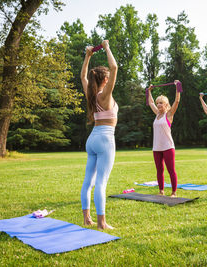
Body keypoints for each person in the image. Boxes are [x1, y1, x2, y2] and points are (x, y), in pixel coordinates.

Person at [80, 40, 118, 229]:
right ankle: (102, 222)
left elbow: (82, 77)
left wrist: (87, 57)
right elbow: (114, 66)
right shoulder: (105, 95)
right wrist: (106, 47)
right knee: (101, 182)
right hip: (105, 138)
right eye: (108, 77)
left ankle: (87, 219)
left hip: (92, 138)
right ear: (104, 80)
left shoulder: (91, 95)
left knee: (89, 181)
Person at [147, 81, 181, 197]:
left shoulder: (169, 114)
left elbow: (177, 101)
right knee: (159, 170)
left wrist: (178, 88)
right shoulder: (157, 114)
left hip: (168, 146)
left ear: (166, 104)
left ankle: (174, 192)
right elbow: (150, 102)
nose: (158, 105)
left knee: (171, 170)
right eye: (158, 103)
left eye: (161, 103)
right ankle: (161, 191)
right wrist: (149, 91)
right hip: (156, 147)